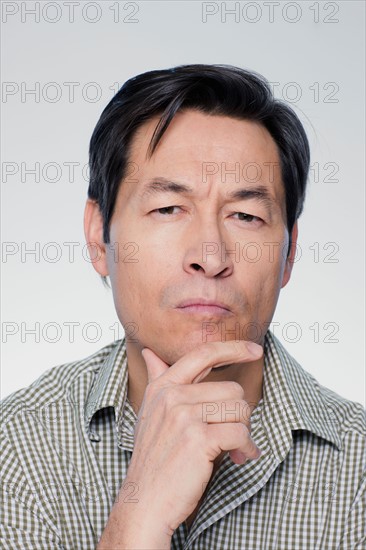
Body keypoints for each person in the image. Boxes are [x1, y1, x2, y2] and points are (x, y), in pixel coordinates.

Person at [1, 64, 364, 550]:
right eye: (168, 209)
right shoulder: (19, 446)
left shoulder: (358, 467)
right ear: (98, 237)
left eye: (246, 215)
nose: (209, 257)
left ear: (289, 253)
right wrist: (139, 511)